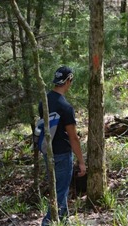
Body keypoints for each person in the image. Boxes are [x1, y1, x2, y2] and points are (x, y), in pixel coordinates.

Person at [39, 66, 86, 226]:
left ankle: (63, 222)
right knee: (60, 192)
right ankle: (47, 223)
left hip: (48, 152)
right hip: (62, 153)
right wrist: (81, 161)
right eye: (70, 81)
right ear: (68, 81)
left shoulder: (44, 102)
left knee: (59, 190)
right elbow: (73, 137)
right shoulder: (65, 107)